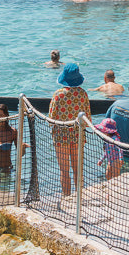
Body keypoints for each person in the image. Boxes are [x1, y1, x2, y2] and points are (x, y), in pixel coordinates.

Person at [49, 63, 90, 197]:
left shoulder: (58, 95)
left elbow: (51, 119)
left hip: (61, 136)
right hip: (78, 134)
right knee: (78, 169)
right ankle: (79, 198)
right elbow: (87, 119)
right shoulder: (83, 94)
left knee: (64, 170)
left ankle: (66, 197)